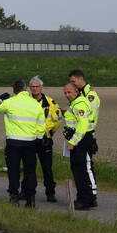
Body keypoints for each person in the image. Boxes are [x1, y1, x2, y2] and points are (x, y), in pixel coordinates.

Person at [0, 80, 45, 207]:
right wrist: (37, 138)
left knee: (13, 171)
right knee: (30, 171)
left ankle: (14, 196)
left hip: (13, 143)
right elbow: (41, 125)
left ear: (14, 90)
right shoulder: (35, 104)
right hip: (30, 143)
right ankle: (31, 199)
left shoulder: (9, 102)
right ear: (26, 89)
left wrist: (0, 98)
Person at [63, 82, 98, 210]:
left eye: (69, 92)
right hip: (81, 139)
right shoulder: (76, 103)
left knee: (80, 171)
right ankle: (86, 198)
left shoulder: (79, 104)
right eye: (65, 93)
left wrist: (73, 142)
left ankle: (84, 200)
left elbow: (82, 125)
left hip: (81, 141)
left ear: (76, 91)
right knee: (79, 170)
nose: (67, 95)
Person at [28, 76, 62, 202]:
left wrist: (50, 133)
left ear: (41, 88)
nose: (35, 89)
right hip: (29, 139)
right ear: (29, 88)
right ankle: (27, 191)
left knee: (47, 168)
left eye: (37, 86)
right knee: (29, 167)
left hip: (45, 140)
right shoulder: (26, 101)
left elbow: (58, 120)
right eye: (32, 87)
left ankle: (50, 193)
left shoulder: (50, 102)